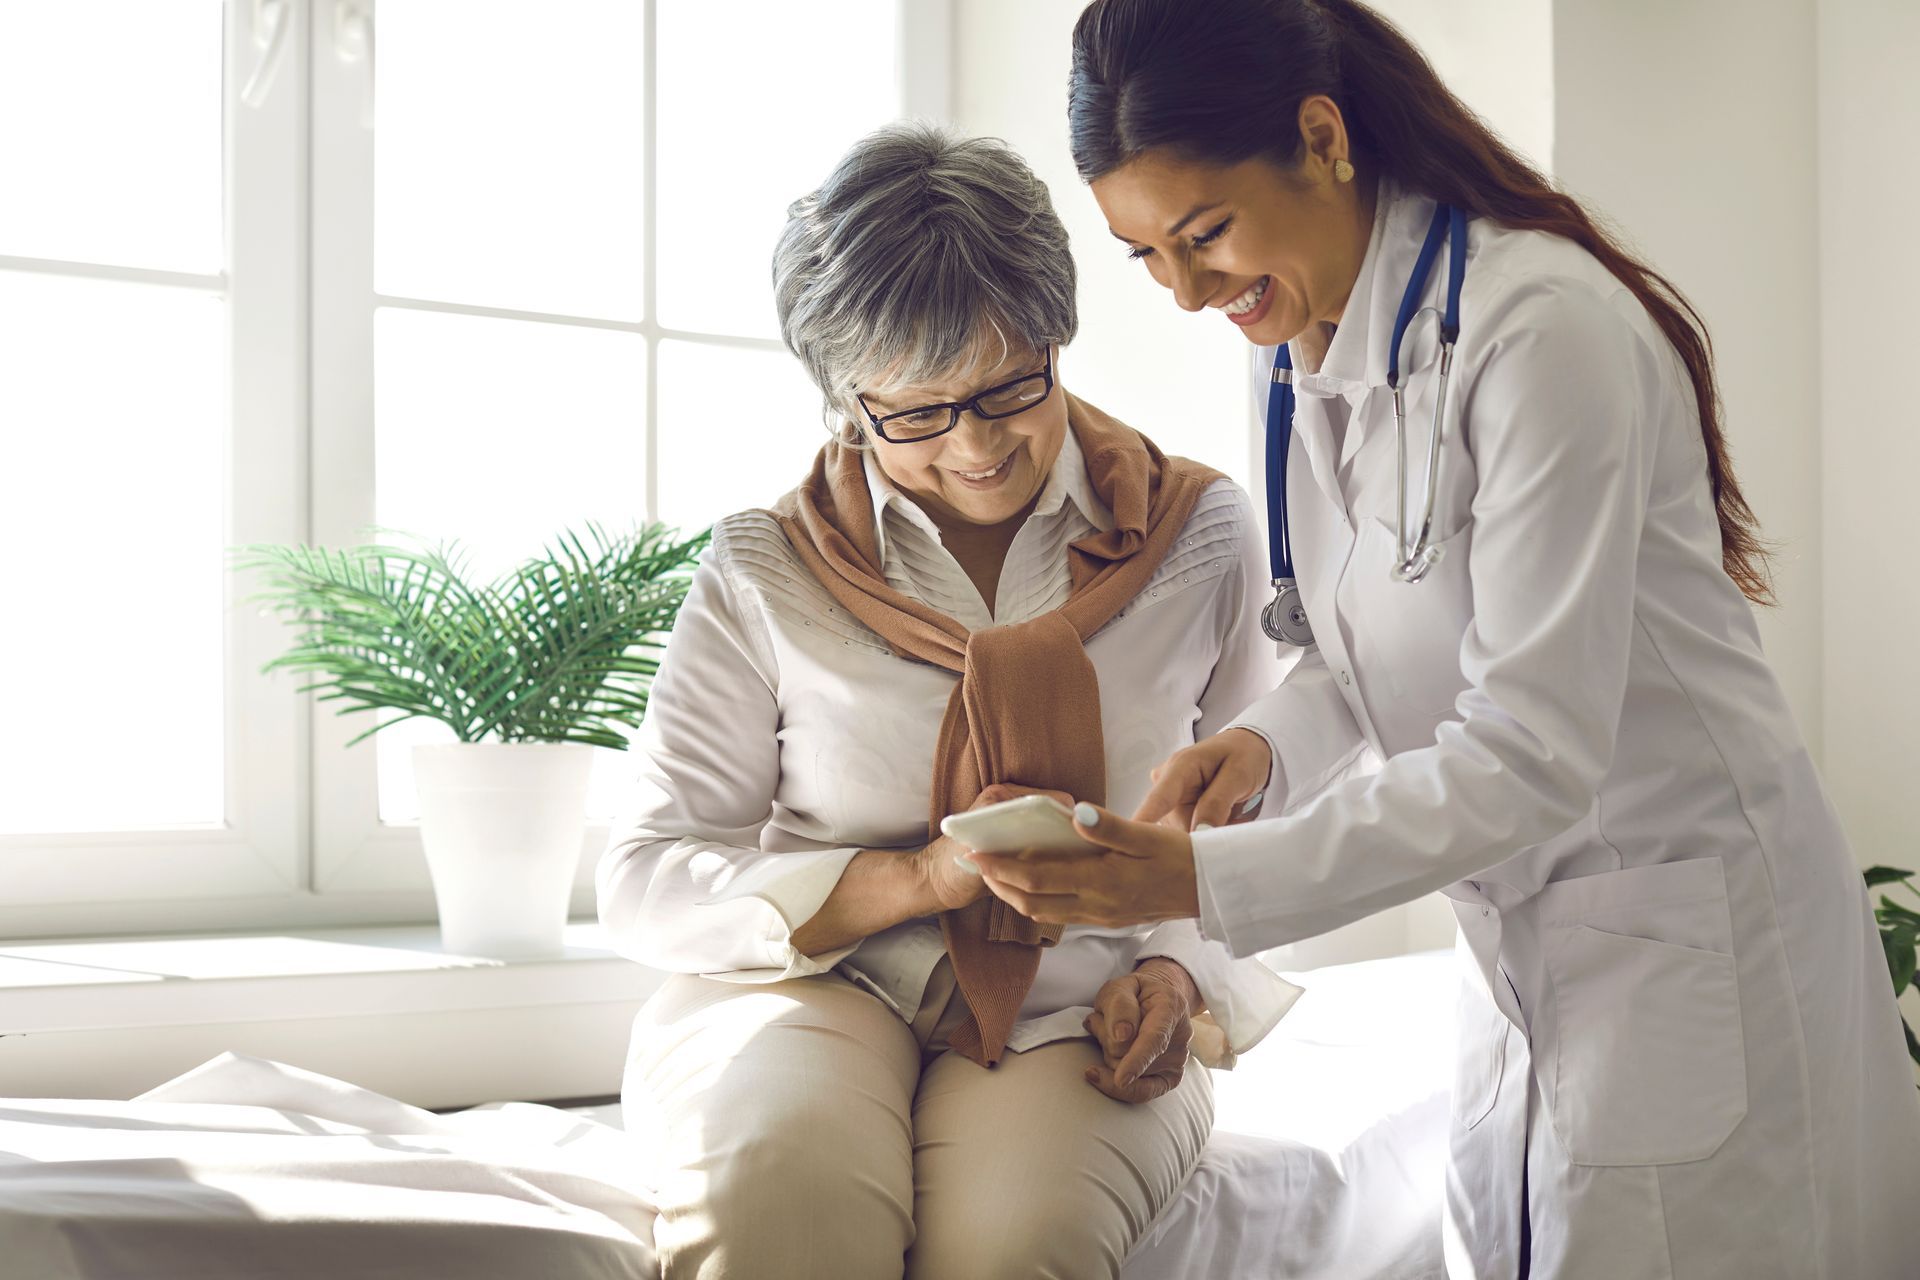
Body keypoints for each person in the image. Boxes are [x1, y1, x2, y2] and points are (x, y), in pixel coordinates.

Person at [969, 2, 1920, 1276]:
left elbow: (1530, 750)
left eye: (1204, 234)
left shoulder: (1542, 330)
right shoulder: (1290, 342)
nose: (1192, 293)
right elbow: (1368, 647)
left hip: (1694, 932)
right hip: (1526, 949)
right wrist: (1262, 745)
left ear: (1322, 137)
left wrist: (1191, 882)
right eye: (1147, 256)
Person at [596, 122, 1298, 1279]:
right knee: (782, 1198)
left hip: (1086, 997)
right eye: (917, 412)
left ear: (1057, 339)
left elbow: (1266, 814)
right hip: (813, 981)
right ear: (845, 398)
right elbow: (648, 872)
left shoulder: (1200, 534)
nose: (977, 445)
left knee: (1016, 1247)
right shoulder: (766, 566)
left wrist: (1177, 971)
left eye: (1010, 388)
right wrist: (916, 881)